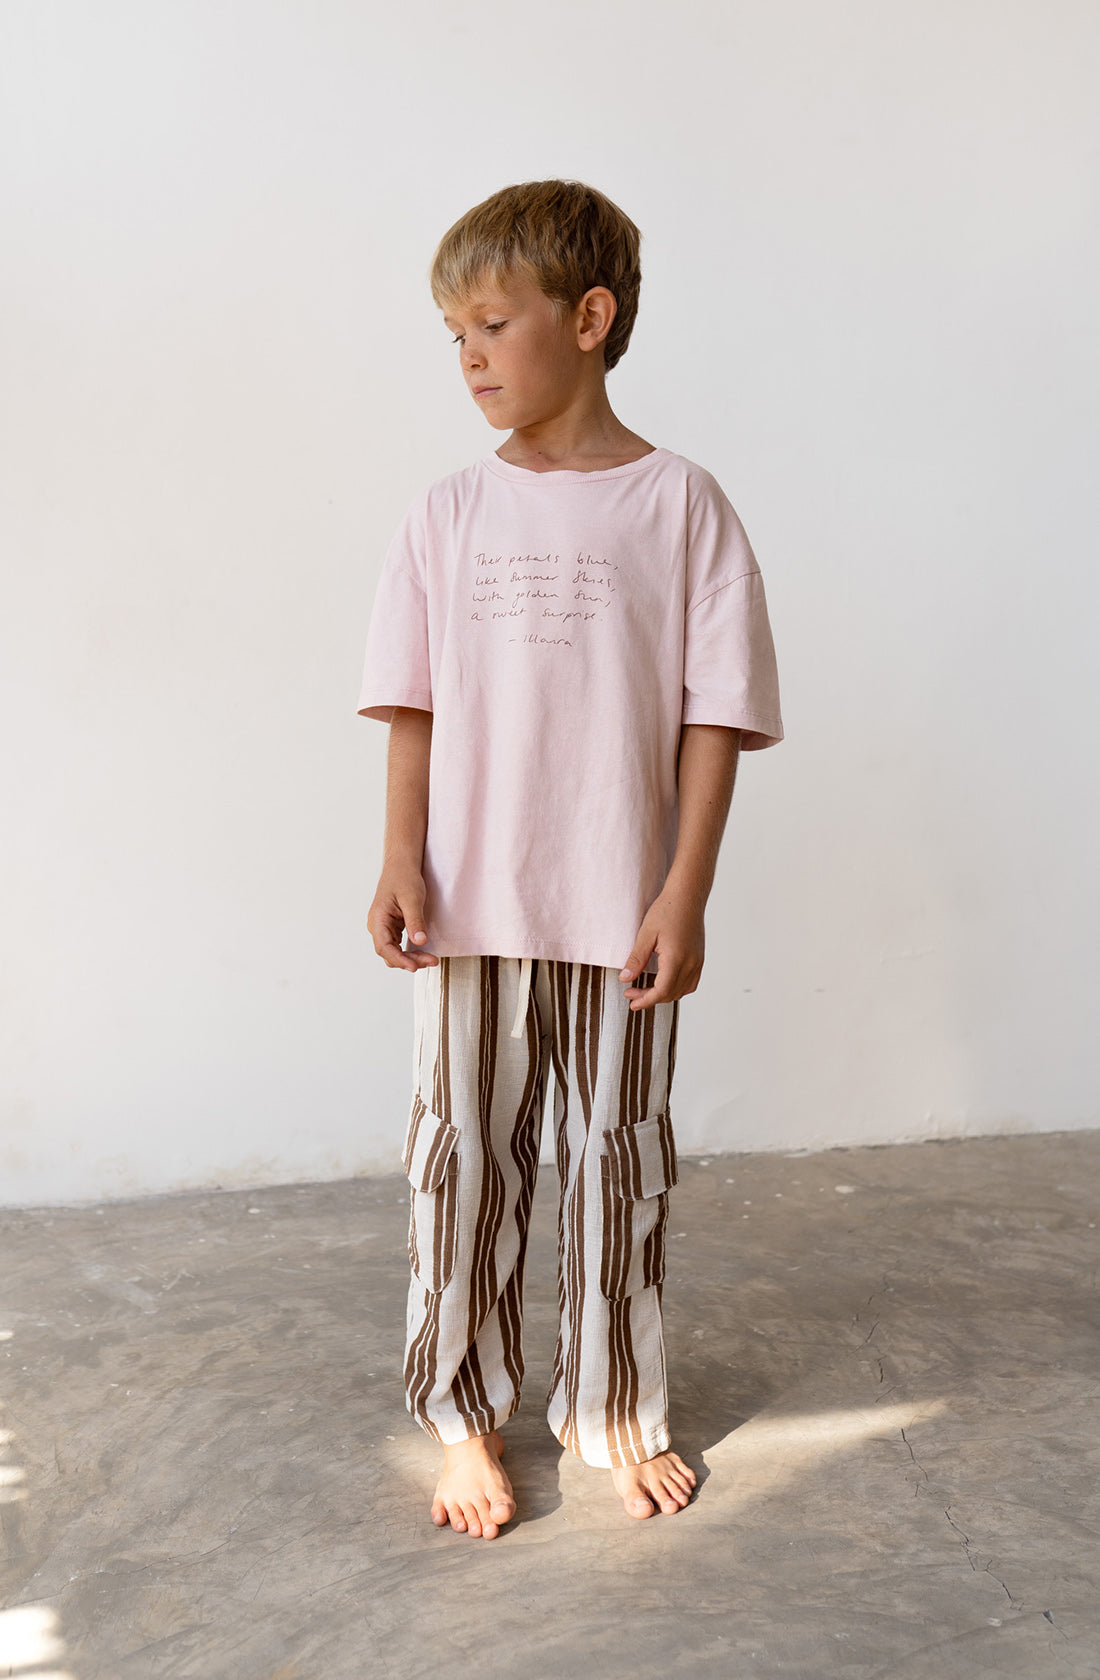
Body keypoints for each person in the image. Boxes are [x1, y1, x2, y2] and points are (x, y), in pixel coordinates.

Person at [357, 179, 783, 1540]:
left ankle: (612, 1407)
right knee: (463, 1163)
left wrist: (685, 890)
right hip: (473, 906)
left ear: (589, 319)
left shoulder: (682, 507)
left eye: (491, 322)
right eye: (451, 334)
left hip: (621, 915)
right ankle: (462, 1415)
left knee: (619, 1161)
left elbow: (715, 716)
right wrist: (400, 858)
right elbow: (411, 702)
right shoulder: (444, 516)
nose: (470, 355)